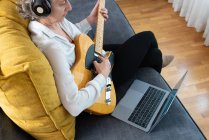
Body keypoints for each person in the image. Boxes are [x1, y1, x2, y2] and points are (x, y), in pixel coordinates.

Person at [17, 0, 174, 117]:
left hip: (92, 56)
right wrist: (103, 75)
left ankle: (155, 64)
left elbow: (73, 38)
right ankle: (155, 76)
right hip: (97, 79)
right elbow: (73, 105)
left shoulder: (54, 21)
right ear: (42, 9)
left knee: (153, 54)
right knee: (148, 38)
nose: (70, 7)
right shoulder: (50, 48)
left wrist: (91, 19)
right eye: (62, 3)